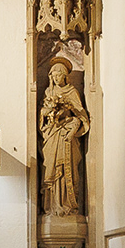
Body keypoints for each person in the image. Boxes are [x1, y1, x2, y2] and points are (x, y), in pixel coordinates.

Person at [39, 59, 90, 219]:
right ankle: (52, 206)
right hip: (52, 134)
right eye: (53, 76)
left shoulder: (72, 91)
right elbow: (42, 118)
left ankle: (68, 205)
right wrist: (47, 112)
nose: (55, 78)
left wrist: (70, 120)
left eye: (58, 75)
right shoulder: (48, 93)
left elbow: (80, 115)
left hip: (67, 136)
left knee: (68, 170)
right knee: (51, 168)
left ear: (64, 76)